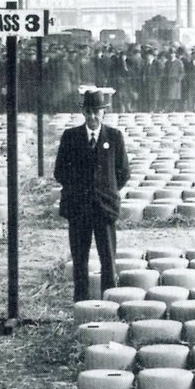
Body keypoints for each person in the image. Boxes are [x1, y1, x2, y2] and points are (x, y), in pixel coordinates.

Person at [53, 87, 130, 302]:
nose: (93, 117)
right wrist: (78, 189)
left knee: (108, 259)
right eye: (88, 112)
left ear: (104, 112)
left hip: (104, 208)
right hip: (78, 208)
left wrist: (106, 190)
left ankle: (109, 302)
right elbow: (60, 171)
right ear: (83, 112)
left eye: (97, 112)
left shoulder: (114, 137)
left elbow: (123, 172)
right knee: (80, 259)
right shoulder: (70, 137)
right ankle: (82, 302)